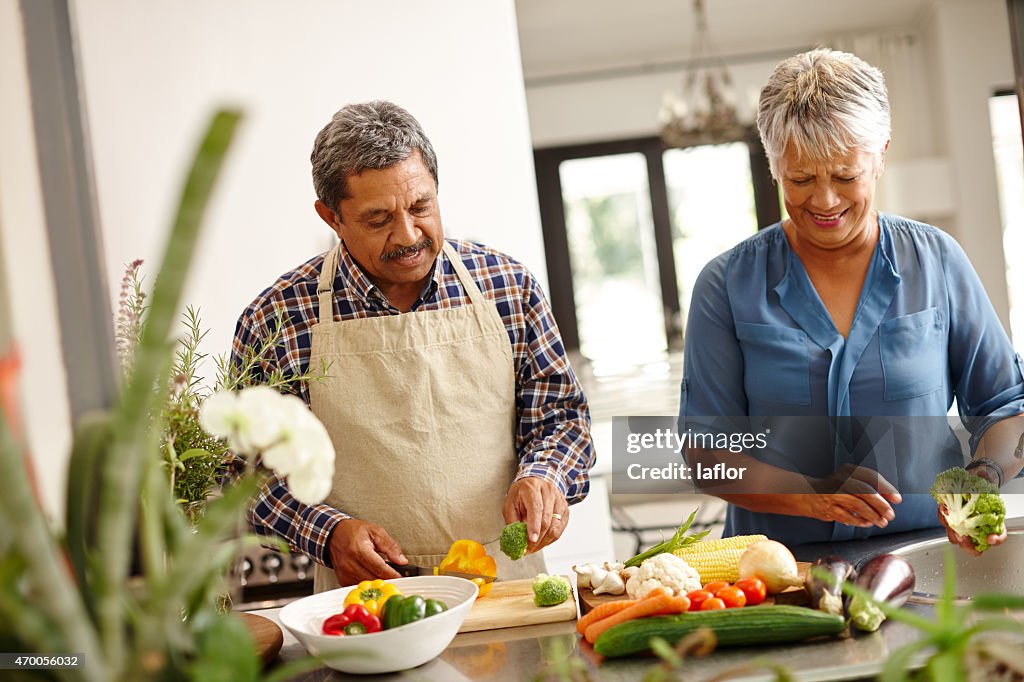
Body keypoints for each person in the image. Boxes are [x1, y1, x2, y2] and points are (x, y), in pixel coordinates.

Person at [233, 101, 593, 590]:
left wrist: (545, 475)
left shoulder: (508, 286)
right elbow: (252, 474)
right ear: (331, 217)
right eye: (378, 219)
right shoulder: (274, 319)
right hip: (366, 598)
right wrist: (329, 534)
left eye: (421, 206)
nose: (407, 235)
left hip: (504, 582)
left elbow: (561, 419)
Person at [678, 49, 1024, 553]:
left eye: (845, 176)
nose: (824, 201)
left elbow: (1006, 406)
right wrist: (810, 496)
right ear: (774, 167)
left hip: (926, 554)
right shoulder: (725, 285)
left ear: (881, 154)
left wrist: (982, 477)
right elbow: (708, 454)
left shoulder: (937, 261)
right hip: (779, 572)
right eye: (799, 179)